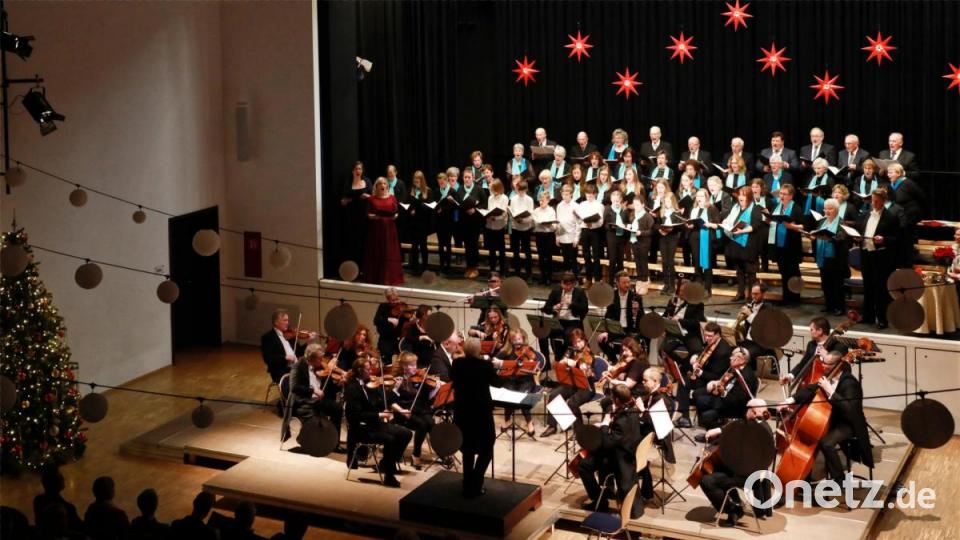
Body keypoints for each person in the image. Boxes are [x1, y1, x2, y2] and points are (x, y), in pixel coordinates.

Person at [779, 351, 874, 484]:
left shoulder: (850, 383)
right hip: (833, 419)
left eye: (827, 363)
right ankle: (804, 479)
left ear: (838, 365)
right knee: (812, 434)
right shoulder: (827, 376)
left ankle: (839, 481)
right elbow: (810, 389)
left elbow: (849, 409)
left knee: (826, 443)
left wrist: (831, 391)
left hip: (848, 423)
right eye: (823, 362)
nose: (823, 365)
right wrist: (790, 400)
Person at [697, 399, 775, 525]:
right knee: (718, 470)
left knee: (706, 481)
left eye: (747, 411)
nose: (745, 414)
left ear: (753, 412)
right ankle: (736, 501)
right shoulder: (762, 425)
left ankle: (734, 510)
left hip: (748, 476)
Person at [577, 385, 646, 519]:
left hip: (619, 457)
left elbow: (608, 443)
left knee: (583, 466)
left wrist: (605, 424)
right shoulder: (633, 410)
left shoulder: (622, 420)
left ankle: (600, 502)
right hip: (629, 450)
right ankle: (606, 492)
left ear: (617, 399)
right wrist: (613, 416)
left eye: (612, 398)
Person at [343, 357, 413, 487]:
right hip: (360, 429)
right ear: (360, 370)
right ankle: (389, 475)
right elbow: (356, 415)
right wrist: (379, 415)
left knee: (406, 434)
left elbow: (381, 401)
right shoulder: (352, 389)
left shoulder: (369, 385)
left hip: (374, 425)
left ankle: (386, 463)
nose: (371, 372)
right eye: (368, 369)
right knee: (390, 439)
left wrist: (395, 390)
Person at [451, 338, 504, 497]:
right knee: (486, 449)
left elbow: (452, 377)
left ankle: (467, 485)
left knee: (467, 450)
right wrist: (499, 370)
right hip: (481, 414)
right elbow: (498, 383)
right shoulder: (485, 365)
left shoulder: (457, 364)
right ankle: (476, 482)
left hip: (462, 413)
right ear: (479, 350)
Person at [856, 189, 900, 329]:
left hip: (881, 257)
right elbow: (859, 230)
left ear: (883, 201)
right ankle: (867, 315)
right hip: (866, 254)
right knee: (867, 286)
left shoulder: (891, 217)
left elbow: (897, 239)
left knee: (881, 288)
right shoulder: (865, 214)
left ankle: (882, 318)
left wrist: (884, 239)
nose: (873, 203)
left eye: (876, 201)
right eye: (872, 200)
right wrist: (858, 238)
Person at [540, 329, 596, 438]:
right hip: (572, 383)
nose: (577, 345)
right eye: (574, 342)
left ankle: (579, 430)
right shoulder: (570, 350)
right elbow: (561, 363)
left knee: (572, 403)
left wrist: (584, 368)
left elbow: (589, 374)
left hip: (586, 387)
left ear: (584, 340)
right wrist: (565, 361)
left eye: (579, 341)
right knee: (554, 395)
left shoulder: (589, 355)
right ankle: (553, 426)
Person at [390, 352, 437, 468]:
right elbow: (391, 400)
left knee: (431, 423)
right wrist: (396, 388)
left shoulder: (416, 380)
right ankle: (416, 454)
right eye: (411, 365)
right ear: (404, 366)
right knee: (422, 425)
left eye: (415, 364)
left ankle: (442, 451)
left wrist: (436, 387)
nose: (415, 367)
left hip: (418, 410)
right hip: (403, 412)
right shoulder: (397, 380)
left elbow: (426, 398)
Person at [288, 345, 344, 443]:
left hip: (318, 401)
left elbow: (330, 389)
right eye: (320, 358)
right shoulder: (298, 366)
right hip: (305, 401)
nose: (322, 360)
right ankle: (305, 437)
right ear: (311, 358)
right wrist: (313, 390)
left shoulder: (320, 368)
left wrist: (339, 384)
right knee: (318, 420)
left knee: (338, 409)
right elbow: (294, 387)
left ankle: (334, 442)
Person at [694, 347, 759, 430]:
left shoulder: (746, 377)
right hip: (727, 399)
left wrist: (723, 392)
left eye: (733, 356)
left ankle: (718, 433)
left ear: (741, 360)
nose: (730, 358)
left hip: (736, 408)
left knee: (705, 410)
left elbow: (738, 401)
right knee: (699, 396)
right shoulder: (735, 368)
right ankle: (709, 427)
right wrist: (717, 384)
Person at [496, 329, 544, 437]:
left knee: (522, 397)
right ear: (510, 341)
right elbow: (495, 360)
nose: (517, 342)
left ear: (523, 339)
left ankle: (529, 422)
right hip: (511, 380)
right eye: (514, 340)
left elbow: (539, 361)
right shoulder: (507, 351)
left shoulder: (528, 349)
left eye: (519, 339)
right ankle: (507, 420)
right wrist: (498, 362)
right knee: (509, 395)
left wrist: (532, 362)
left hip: (526, 380)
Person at [779, 317, 849, 386]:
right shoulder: (811, 345)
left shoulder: (838, 346)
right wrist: (789, 376)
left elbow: (843, 368)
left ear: (820, 331)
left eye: (811, 330)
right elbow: (803, 364)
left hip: (831, 384)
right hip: (812, 382)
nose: (810, 332)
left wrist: (826, 355)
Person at [721, 187, 762, 301]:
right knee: (739, 270)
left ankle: (752, 296)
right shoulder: (736, 207)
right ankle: (740, 293)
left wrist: (742, 231)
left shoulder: (756, 208)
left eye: (743, 195)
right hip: (735, 242)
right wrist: (726, 222)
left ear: (749, 197)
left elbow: (755, 225)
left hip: (748, 244)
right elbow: (730, 219)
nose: (740, 197)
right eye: (739, 195)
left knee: (750, 271)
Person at [811, 198, 851, 315]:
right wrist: (813, 237)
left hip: (835, 258)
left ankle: (839, 307)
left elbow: (842, 238)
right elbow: (817, 233)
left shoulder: (841, 223)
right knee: (826, 283)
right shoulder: (822, 221)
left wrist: (830, 238)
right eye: (825, 209)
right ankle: (829, 305)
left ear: (836, 210)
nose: (827, 211)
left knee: (837, 284)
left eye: (830, 209)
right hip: (822, 256)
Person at [539, 272, 589, 364]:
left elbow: (584, 309)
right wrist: (554, 307)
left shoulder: (579, 292)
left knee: (568, 335)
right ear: (561, 283)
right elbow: (546, 308)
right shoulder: (556, 291)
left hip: (573, 322)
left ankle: (562, 360)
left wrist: (571, 305)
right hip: (558, 321)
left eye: (569, 284)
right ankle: (546, 364)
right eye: (564, 284)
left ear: (573, 283)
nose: (567, 287)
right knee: (542, 333)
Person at [363, 177, 404, 286]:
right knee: (377, 251)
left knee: (390, 252)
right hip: (376, 230)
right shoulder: (371, 199)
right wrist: (374, 216)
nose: (383, 185)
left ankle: (391, 278)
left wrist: (395, 216)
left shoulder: (392, 198)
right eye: (380, 183)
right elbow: (368, 214)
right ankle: (376, 277)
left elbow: (396, 212)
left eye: (385, 183)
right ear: (376, 186)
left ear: (387, 186)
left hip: (390, 229)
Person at [769, 184, 805, 305]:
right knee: (784, 273)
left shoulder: (796, 208)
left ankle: (795, 299)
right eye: (780, 193)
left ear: (791, 196)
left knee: (793, 274)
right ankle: (786, 299)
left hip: (791, 246)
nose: (782, 196)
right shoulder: (777, 206)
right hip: (779, 245)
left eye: (784, 194)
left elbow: (803, 226)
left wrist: (792, 226)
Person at [886, 162, 927, 268]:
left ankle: (908, 265)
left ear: (898, 173)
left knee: (907, 242)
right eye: (888, 173)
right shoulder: (891, 185)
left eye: (891, 173)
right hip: (898, 217)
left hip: (910, 217)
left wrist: (913, 211)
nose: (888, 175)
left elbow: (922, 197)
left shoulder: (908, 183)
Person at [598, 272, 644, 359]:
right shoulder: (612, 296)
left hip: (630, 330)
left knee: (633, 344)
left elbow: (642, 318)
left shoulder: (636, 297)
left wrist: (638, 310)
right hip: (616, 329)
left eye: (628, 282)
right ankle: (614, 361)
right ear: (617, 283)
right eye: (624, 283)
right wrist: (606, 331)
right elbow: (608, 315)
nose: (627, 285)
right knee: (601, 340)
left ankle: (628, 362)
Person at [261, 309, 311, 384]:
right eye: (285, 320)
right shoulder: (268, 337)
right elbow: (268, 358)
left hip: (295, 368)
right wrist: (285, 357)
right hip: (281, 371)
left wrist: (308, 341)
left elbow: (299, 352)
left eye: (288, 320)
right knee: (306, 381)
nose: (287, 323)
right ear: (276, 322)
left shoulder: (290, 336)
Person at [687, 188, 721, 295]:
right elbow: (691, 222)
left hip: (707, 236)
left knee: (707, 263)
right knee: (696, 262)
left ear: (706, 197)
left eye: (702, 196)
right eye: (698, 196)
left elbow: (718, 225)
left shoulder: (712, 208)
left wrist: (709, 224)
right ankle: (698, 287)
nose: (699, 198)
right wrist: (689, 225)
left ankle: (707, 288)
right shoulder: (694, 209)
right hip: (695, 237)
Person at [340, 161, 372, 268]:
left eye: (360, 169)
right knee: (353, 242)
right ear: (352, 171)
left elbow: (373, 197)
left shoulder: (367, 181)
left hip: (364, 216)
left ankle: (364, 267)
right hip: (351, 217)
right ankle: (355, 267)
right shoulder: (348, 182)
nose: (358, 171)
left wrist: (367, 196)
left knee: (364, 241)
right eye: (356, 169)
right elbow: (342, 201)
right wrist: (345, 201)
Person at [458, 168, 488, 279]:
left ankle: (474, 267)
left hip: (475, 221)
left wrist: (475, 209)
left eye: (469, 177)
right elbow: (458, 204)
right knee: (467, 245)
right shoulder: (460, 189)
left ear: (473, 178)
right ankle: (468, 267)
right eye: (465, 177)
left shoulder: (479, 189)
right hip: (464, 221)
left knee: (474, 245)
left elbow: (484, 204)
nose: (467, 179)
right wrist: (464, 208)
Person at [737, 284, 776, 367]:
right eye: (752, 293)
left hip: (760, 344)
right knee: (733, 352)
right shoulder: (750, 306)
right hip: (748, 341)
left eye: (756, 294)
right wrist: (741, 316)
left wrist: (749, 314)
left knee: (744, 356)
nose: (753, 296)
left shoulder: (768, 308)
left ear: (763, 294)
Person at [34, 467, 84, 532]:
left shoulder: (38, 500)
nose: (64, 479)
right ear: (55, 483)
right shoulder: (67, 507)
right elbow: (79, 527)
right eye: (61, 477)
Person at [405, 171, 433, 275]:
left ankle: (425, 266)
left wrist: (420, 208)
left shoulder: (428, 191)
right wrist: (410, 210)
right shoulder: (410, 190)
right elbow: (406, 203)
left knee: (423, 245)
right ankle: (415, 267)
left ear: (422, 180)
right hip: (413, 222)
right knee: (414, 246)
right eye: (415, 178)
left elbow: (431, 206)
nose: (416, 180)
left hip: (423, 222)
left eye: (418, 178)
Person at [578, 183, 605, 285]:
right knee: (586, 255)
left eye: (591, 195)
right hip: (585, 231)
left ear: (595, 194)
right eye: (587, 194)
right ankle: (588, 278)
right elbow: (579, 219)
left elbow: (601, 221)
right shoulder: (582, 204)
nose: (589, 197)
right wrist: (585, 223)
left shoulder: (599, 205)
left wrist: (592, 223)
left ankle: (597, 279)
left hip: (595, 232)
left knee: (596, 256)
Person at [434, 169, 461, 275]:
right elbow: (434, 204)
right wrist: (437, 209)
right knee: (441, 244)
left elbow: (457, 206)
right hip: (439, 222)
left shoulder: (452, 191)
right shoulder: (437, 191)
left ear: (446, 181)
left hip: (449, 222)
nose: (441, 183)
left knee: (448, 244)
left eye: (443, 181)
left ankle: (448, 266)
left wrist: (452, 202)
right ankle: (441, 265)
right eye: (439, 182)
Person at [658, 192, 683, 295]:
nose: (667, 203)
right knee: (664, 261)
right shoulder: (662, 212)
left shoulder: (677, 213)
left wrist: (672, 229)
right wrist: (660, 230)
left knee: (670, 261)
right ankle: (666, 284)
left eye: (669, 201)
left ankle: (672, 285)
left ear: (673, 202)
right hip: (663, 238)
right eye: (666, 202)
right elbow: (657, 224)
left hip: (673, 238)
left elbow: (680, 227)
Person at [509, 179, 535, 278]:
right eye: (518, 190)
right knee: (515, 251)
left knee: (527, 251)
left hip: (525, 229)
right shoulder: (513, 199)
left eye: (522, 191)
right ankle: (517, 272)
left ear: (526, 190)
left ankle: (529, 273)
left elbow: (531, 215)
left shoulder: (529, 200)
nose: (520, 192)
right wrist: (515, 218)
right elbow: (512, 212)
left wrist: (523, 220)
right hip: (515, 228)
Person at [628, 192, 655, 287]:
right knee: (637, 260)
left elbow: (652, 231)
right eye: (634, 205)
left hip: (644, 242)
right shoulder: (632, 214)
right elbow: (631, 224)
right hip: (634, 240)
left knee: (643, 261)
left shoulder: (647, 216)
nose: (636, 207)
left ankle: (645, 278)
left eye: (638, 205)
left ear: (643, 205)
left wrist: (641, 233)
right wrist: (629, 226)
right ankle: (639, 278)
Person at [483, 179, 509, 275]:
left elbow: (504, 214)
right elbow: (489, 210)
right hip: (490, 226)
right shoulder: (490, 198)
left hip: (499, 227)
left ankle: (502, 270)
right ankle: (492, 269)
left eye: (492, 189)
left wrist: (496, 218)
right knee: (492, 250)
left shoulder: (504, 198)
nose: (491, 191)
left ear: (497, 188)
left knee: (501, 250)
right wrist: (487, 215)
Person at [800, 158, 835, 229]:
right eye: (815, 168)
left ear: (825, 169)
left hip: (823, 210)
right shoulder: (811, 179)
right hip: (810, 209)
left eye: (819, 168)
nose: (816, 170)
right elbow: (807, 190)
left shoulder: (830, 180)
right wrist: (805, 194)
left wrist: (820, 195)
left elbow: (832, 198)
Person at [555, 185, 582, 278]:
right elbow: (558, 222)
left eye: (567, 194)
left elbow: (578, 223)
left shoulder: (576, 206)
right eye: (563, 194)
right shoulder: (559, 206)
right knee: (565, 259)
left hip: (572, 237)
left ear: (571, 194)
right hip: (562, 236)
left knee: (573, 259)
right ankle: (567, 280)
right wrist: (557, 236)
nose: (564, 196)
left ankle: (575, 278)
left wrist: (576, 238)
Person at [532, 190, 558, 284]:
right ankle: (543, 277)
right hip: (539, 235)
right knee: (541, 256)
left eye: (543, 200)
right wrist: (538, 224)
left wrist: (549, 225)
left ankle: (549, 277)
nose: (541, 202)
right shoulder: (536, 211)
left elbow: (554, 225)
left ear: (548, 200)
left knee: (548, 256)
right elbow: (534, 224)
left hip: (549, 235)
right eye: (540, 200)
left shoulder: (551, 210)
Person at [604, 190, 631, 279]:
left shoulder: (624, 210)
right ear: (611, 200)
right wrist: (612, 226)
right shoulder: (608, 209)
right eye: (614, 201)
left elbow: (627, 222)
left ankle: (621, 281)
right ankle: (611, 281)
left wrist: (626, 225)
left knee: (620, 260)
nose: (616, 202)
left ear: (621, 200)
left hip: (622, 237)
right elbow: (605, 224)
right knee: (612, 259)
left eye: (618, 201)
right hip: (611, 237)